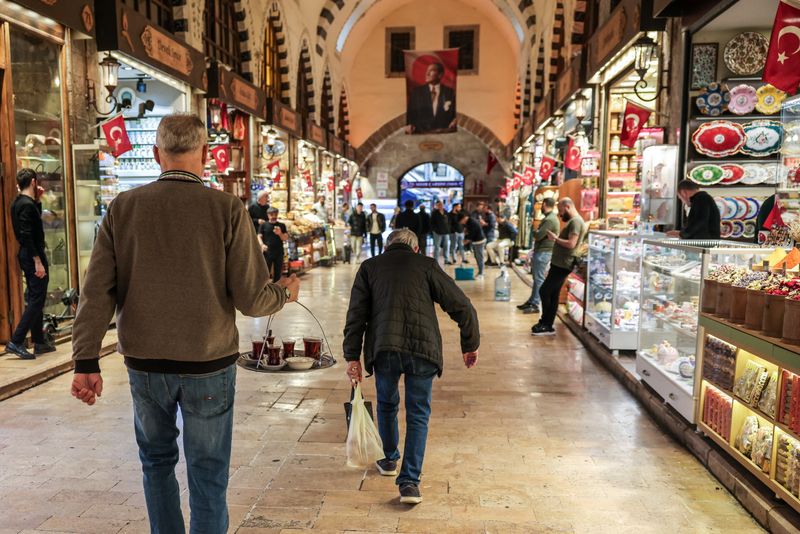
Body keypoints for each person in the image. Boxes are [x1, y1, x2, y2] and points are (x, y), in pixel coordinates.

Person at [69, 113, 300, 533]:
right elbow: (252, 300)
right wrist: (285, 292)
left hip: (145, 364)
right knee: (208, 471)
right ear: (207, 154)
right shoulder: (227, 210)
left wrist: (86, 361)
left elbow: (96, 291)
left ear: (157, 154)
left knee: (156, 463)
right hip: (208, 363)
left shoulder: (124, 207)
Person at [343, 229, 479, 505]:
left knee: (387, 404)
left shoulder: (370, 267)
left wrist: (352, 357)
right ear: (416, 249)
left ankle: (390, 458)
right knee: (418, 413)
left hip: (384, 349)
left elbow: (356, 315)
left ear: (386, 247)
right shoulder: (426, 265)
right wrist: (469, 344)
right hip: (422, 349)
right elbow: (462, 306)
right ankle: (409, 482)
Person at [5, 168, 54, 359]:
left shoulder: (19, 202)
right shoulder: (26, 205)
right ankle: (16, 341)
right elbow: (26, 234)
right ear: (33, 182)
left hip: (28, 254)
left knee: (37, 296)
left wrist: (38, 201)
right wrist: (37, 261)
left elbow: (32, 224)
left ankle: (39, 342)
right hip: (33, 255)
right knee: (36, 299)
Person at [532, 198, 586, 336]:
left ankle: (546, 323)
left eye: (561, 211)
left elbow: (571, 244)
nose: (561, 215)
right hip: (560, 262)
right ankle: (546, 324)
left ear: (567, 207)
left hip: (563, 263)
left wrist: (555, 238)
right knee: (553, 293)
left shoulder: (575, 222)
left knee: (545, 291)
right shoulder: (575, 221)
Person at [518, 197, 558, 314]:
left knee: (539, 279)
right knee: (536, 278)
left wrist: (534, 231)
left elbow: (539, 235)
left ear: (544, 204)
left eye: (541, 204)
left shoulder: (550, 220)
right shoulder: (548, 218)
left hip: (544, 251)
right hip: (542, 251)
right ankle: (532, 300)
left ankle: (535, 303)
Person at [406, 63, 457, 134]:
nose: (427, 73)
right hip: (420, 134)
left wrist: (455, 120)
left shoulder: (449, 92)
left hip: (444, 134)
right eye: (427, 71)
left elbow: (455, 113)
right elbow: (410, 114)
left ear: (440, 75)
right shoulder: (416, 92)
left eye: (431, 70)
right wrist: (409, 125)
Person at [258, 207, 288, 282]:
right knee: (266, 272)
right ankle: (265, 289)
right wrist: (262, 245)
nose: (273, 216)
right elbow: (259, 236)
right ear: (268, 215)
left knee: (278, 273)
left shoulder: (282, 225)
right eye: (271, 214)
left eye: (275, 214)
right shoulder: (264, 225)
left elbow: (285, 238)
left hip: (279, 252)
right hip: (267, 252)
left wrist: (280, 233)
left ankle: (276, 290)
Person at [459, 212, 487, 279]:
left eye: (461, 221)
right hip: (476, 241)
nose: (461, 223)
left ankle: (481, 273)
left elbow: (472, 234)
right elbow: (468, 232)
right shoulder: (468, 222)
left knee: (479, 257)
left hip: (479, 241)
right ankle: (481, 272)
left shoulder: (472, 222)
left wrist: (466, 241)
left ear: (464, 218)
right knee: (477, 257)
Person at [430, 200, 452, 264]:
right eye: (439, 205)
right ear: (437, 206)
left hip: (446, 232)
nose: (441, 206)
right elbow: (431, 223)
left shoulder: (446, 212)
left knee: (446, 246)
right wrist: (434, 230)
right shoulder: (434, 213)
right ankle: (435, 261)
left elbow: (449, 222)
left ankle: (446, 259)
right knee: (437, 246)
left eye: (441, 204)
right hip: (437, 232)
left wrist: (448, 229)